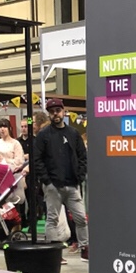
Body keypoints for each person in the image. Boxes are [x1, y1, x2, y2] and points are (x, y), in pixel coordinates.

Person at [33, 98, 89, 260]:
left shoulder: (73, 133)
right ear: (49, 114)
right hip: (53, 186)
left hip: (72, 185)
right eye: (52, 112)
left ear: (64, 112)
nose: (55, 114)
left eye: (58, 111)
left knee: (81, 218)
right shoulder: (43, 135)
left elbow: (82, 156)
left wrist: (80, 176)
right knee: (52, 219)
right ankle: (54, 254)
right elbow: (37, 159)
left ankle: (85, 249)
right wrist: (47, 181)